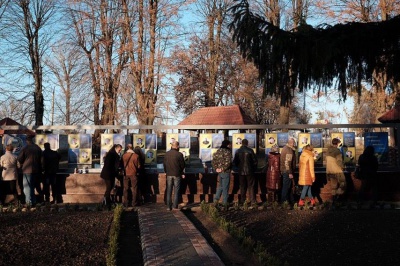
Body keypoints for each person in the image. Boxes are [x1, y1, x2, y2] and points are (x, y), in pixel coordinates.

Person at [17, 136, 43, 206]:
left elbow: (20, 159)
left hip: (27, 170)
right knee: (33, 186)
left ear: (27, 141)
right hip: (36, 170)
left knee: (27, 187)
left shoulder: (25, 148)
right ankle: (33, 201)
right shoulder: (38, 148)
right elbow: (42, 160)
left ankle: (29, 202)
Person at [233, 138, 258, 205]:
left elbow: (235, 162)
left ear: (242, 143)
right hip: (250, 171)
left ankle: (242, 201)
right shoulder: (250, 151)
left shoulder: (238, 151)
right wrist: (253, 168)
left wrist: (238, 167)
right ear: (247, 143)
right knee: (251, 186)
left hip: (241, 171)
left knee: (242, 186)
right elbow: (255, 161)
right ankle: (253, 201)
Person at [163, 141, 185, 210]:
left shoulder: (166, 154)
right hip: (177, 174)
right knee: (176, 190)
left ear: (172, 146)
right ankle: (175, 206)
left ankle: (168, 207)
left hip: (169, 174)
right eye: (178, 146)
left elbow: (164, 164)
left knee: (169, 190)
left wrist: (166, 172)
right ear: (177, 146)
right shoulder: (179, 154)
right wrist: (181, 172)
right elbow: (183, 165)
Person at [100, 144, 122, 209]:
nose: (120, 151)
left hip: (108, 174)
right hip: (108, 174)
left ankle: (106, 200)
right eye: (119, 150)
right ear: (116, 148)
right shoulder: (113, 155)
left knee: (110, 187)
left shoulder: (111, 154)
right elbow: (115, 166)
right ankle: (106, 201)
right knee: (109, 188)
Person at [212, 140, 232, 206]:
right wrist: (222, 169)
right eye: (229, 144)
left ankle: (216, 200)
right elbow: (228, 163)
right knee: (225, 187)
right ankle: (225, 203)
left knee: (220, 186)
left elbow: (213, 161)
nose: (230, 145)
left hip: (219, 172)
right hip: (225, 172)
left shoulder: (218, 151)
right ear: (227, 145)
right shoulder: (228, 151)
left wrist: (216, 169)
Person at [326, 138, 346, 205]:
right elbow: (339, 161)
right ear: (337, 143)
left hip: (330, 171)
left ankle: (334, 200)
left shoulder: (328, 151)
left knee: (333, 186)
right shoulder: (337, 151)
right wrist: (343, 167)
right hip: (337, 170)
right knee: (343, 183)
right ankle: (338, 197)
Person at [280, 138, 296, 204]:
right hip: (287, 171)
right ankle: (284, 201)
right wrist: (290, 172)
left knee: (288, 186)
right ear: (291, 143)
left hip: (285, 170)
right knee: (286, 187)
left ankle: (290, 201)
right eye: (294, 143)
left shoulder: (285, 148)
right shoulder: (289, 150)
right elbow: (287, 162)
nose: (294, 144)